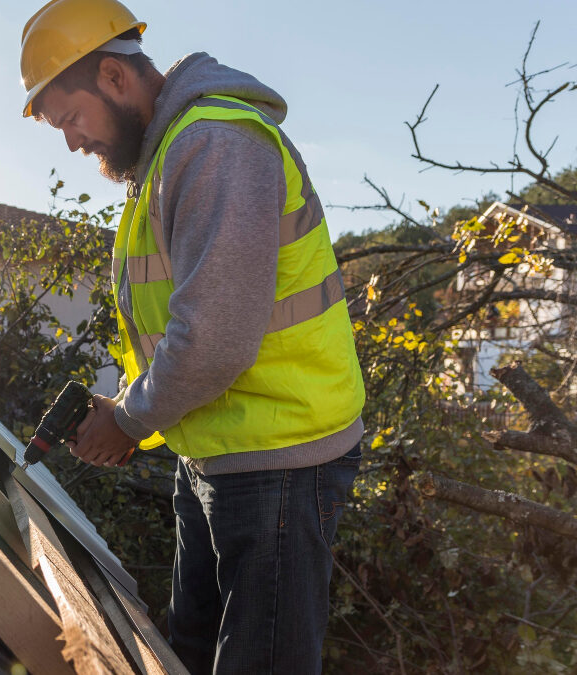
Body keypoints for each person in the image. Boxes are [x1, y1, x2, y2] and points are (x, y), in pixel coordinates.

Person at [20, 1, 366, 672]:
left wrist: (127, 421)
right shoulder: (164, 158)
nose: (71, 141)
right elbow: (172, 328)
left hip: (280, 459)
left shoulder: (215, 146)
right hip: (215, 449)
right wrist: (126, 413)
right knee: (188, 653)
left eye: (71, 119)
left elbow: (213, 340)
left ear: (116, 78)